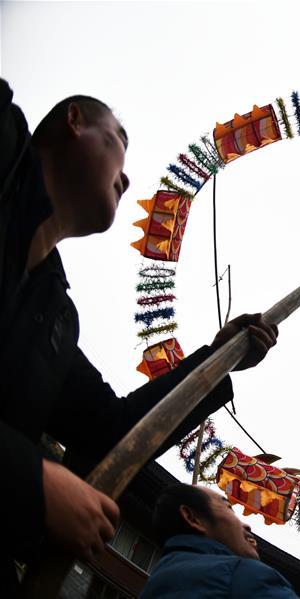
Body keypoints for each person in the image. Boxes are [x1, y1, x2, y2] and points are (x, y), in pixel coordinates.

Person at [0, 78, 278, 592]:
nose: (125, 178)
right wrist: (28, 477)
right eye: (118, 142)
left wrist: (217, 359)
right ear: (74, 120)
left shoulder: (56, 319)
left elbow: (115, 431)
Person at [141, 484, 299, 598]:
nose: (247, 525)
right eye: (228, 507)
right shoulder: (243, 576)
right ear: (192, 518)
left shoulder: (152, 588)